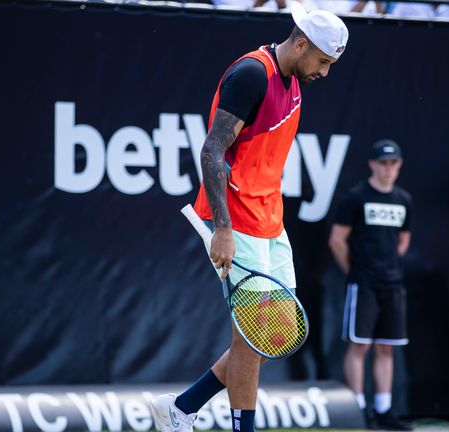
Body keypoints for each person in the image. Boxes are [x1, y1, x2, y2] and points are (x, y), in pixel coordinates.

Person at [148, 4, 349, 432]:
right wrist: (222, 229)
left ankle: (181, 408)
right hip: (237, 223)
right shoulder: (251, 74)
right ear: (300, 44)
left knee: (265, 337)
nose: (325, 73)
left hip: (271, 222)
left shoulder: (294, 79)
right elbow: (211, 152)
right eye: (323, 62)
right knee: (250, 340)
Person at [329, 140, 413, 431]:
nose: (388, 169)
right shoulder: (356, 197)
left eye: (393, 163)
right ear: (372, 165)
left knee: (386, 349)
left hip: (393, 284)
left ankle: (384, 410)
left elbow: (404, 238)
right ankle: (358, 409)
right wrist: (354, 270)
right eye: (383, 163)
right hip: (363, 284)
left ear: (399, 165)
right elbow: (337, 240)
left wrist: (390, 262)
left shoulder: (403, 199)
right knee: (360, 346)